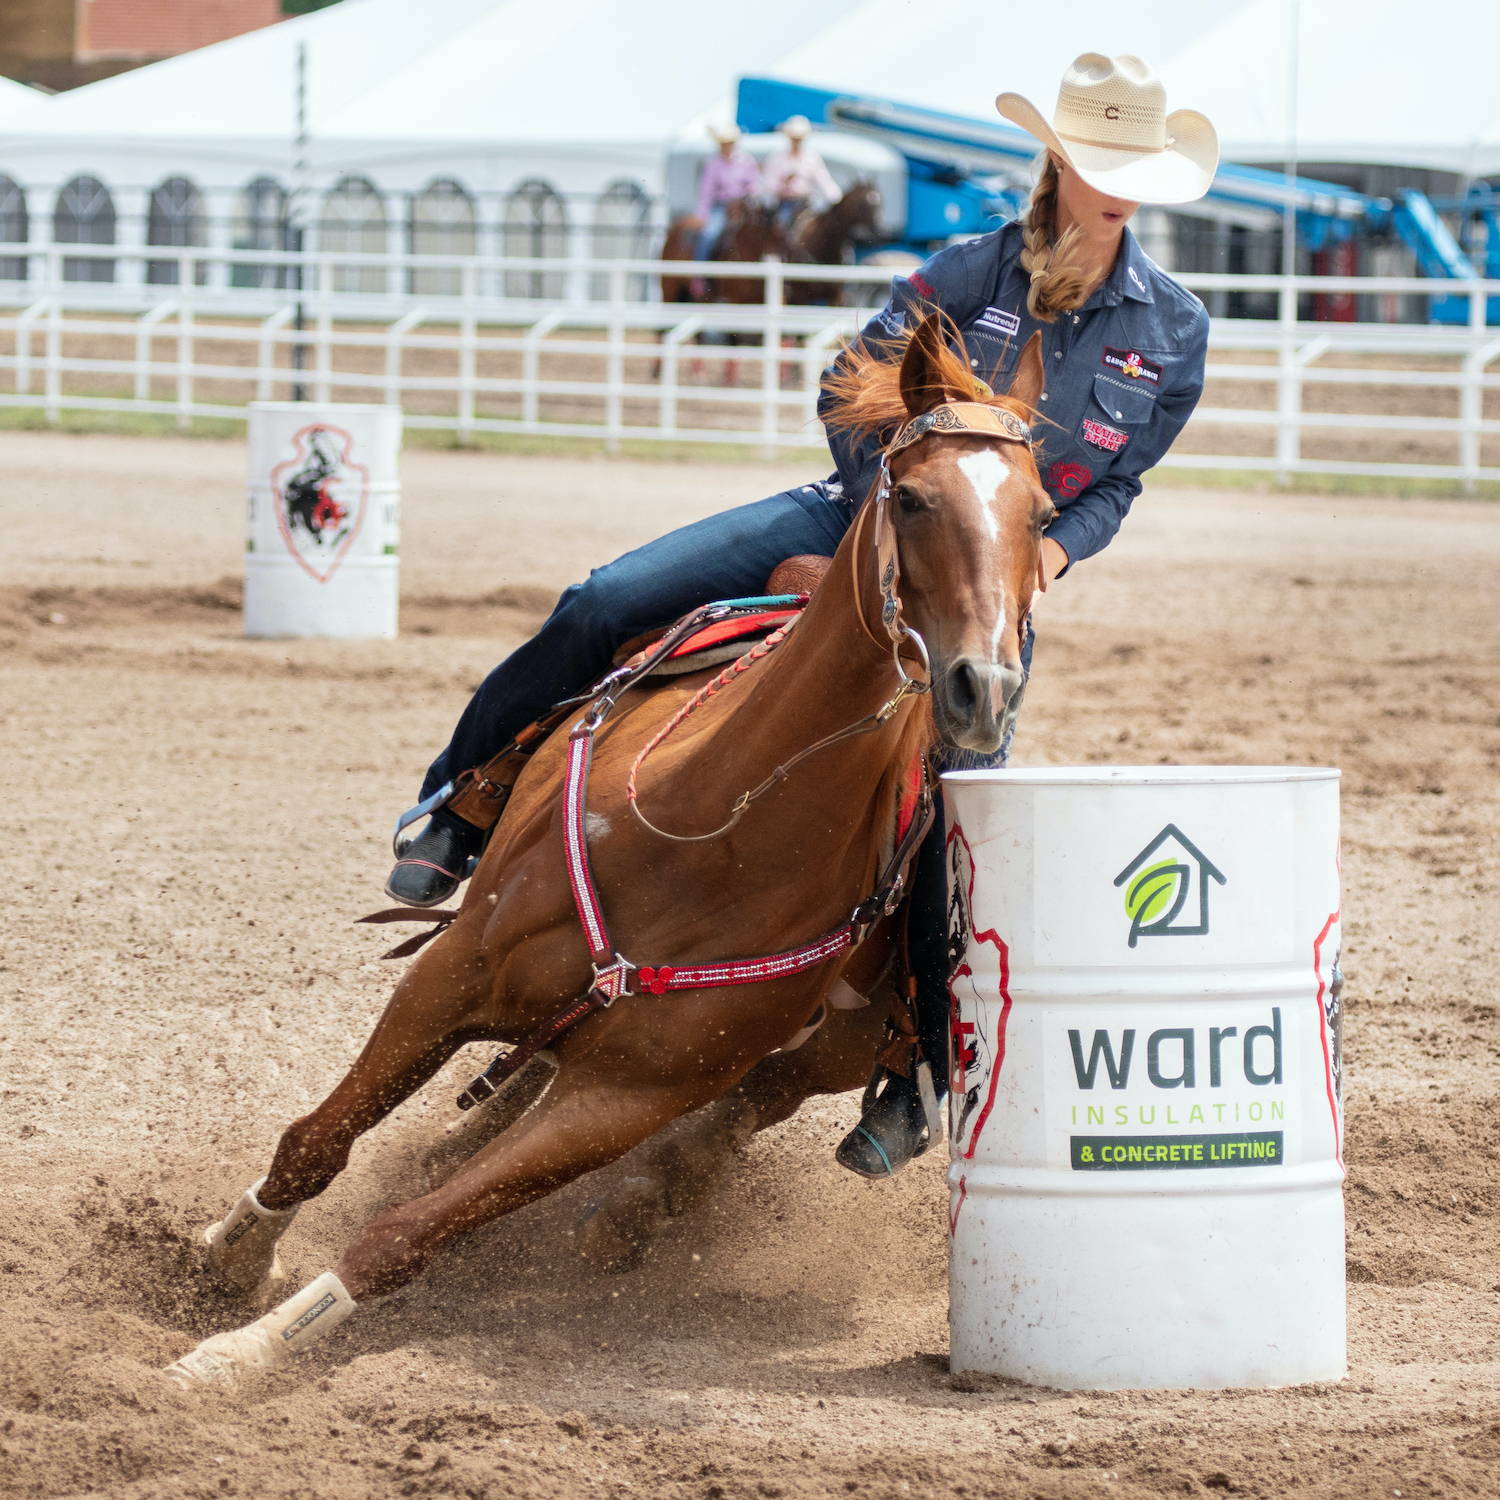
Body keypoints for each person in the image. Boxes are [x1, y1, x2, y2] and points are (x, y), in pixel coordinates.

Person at [385, 53, 1218, 1177]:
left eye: (1135, 171)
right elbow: (844, 386)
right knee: (605, 600)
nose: (1116, 188)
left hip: (980, 588)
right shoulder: (963, 275)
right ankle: (459, 810)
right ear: (1058, 164)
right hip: (859, 519)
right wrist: (897, 502)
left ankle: (917, 1059)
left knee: (964, 808)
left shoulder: (1172, 329)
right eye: (1098, 162)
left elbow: (1119, 483)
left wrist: (1055, 551)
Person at [692, 122, 763, 263]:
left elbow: (755, 183)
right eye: (724, 143)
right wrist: (702, 214)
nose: (727, 146)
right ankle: (699, 273)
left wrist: (752, 193)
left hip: (744, 206)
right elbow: (706, 192)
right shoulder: (713, 164)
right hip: (721, 207)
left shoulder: (746, 161)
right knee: (709, 235)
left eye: (729, 143)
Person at [760, 114, 841, 229]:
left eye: (799, 139)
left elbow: (824, 180)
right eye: (794, 138)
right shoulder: (777, 157)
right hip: (785, 203)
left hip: (806, 203)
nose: (797, 142)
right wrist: (782, 185)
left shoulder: (812, 157)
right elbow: (768, 183)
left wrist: (837, 199)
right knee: (783, 227)